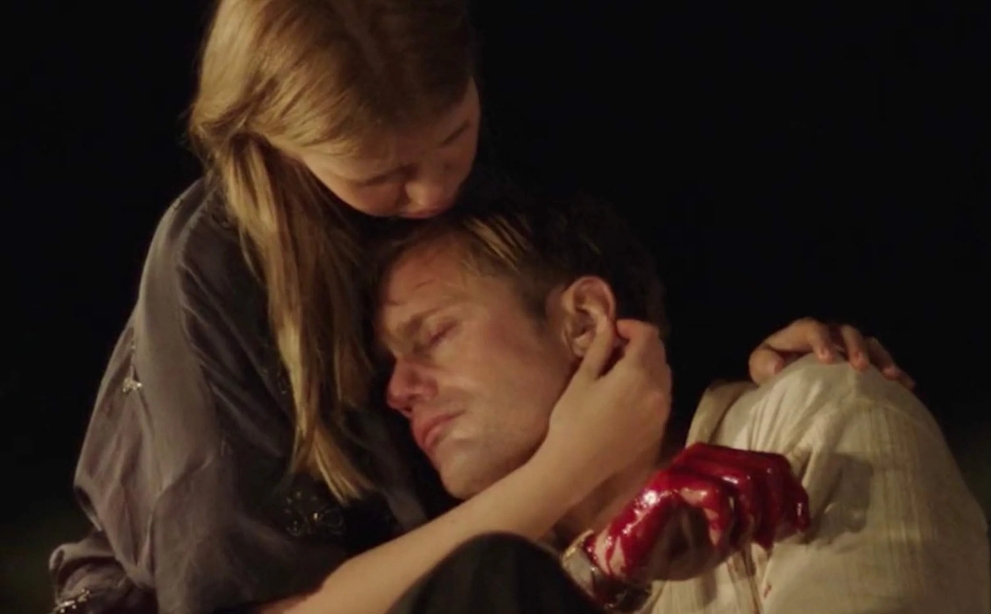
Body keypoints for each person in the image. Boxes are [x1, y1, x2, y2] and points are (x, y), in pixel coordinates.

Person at [49, 1, 914, 613]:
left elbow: (586, 285)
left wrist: (756, 366)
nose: (433, 193)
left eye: (454, 134)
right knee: (492, 583)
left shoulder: (507, 144)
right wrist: (564, 468)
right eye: (381, 175)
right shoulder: (219, 266)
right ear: (276, 141)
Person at [370, 186, 989, 613]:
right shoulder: (514, 582)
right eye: (391, 366)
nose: (399, 391)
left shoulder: (808, 419)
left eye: (436, 335)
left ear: (584, 321)